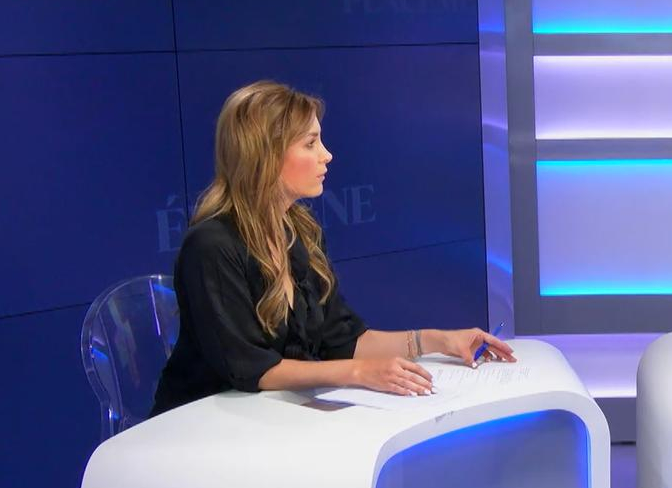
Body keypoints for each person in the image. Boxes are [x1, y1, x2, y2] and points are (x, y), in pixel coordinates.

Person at [151, 80, 513, 416]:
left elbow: (344, 340)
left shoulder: (299, 233)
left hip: (275, 416)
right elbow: (252, 369)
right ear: (265, 155)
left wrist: (441, 341)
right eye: (310, 144)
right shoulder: (211, 246)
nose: (327, 155)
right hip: (204, 423)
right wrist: (359, 373)